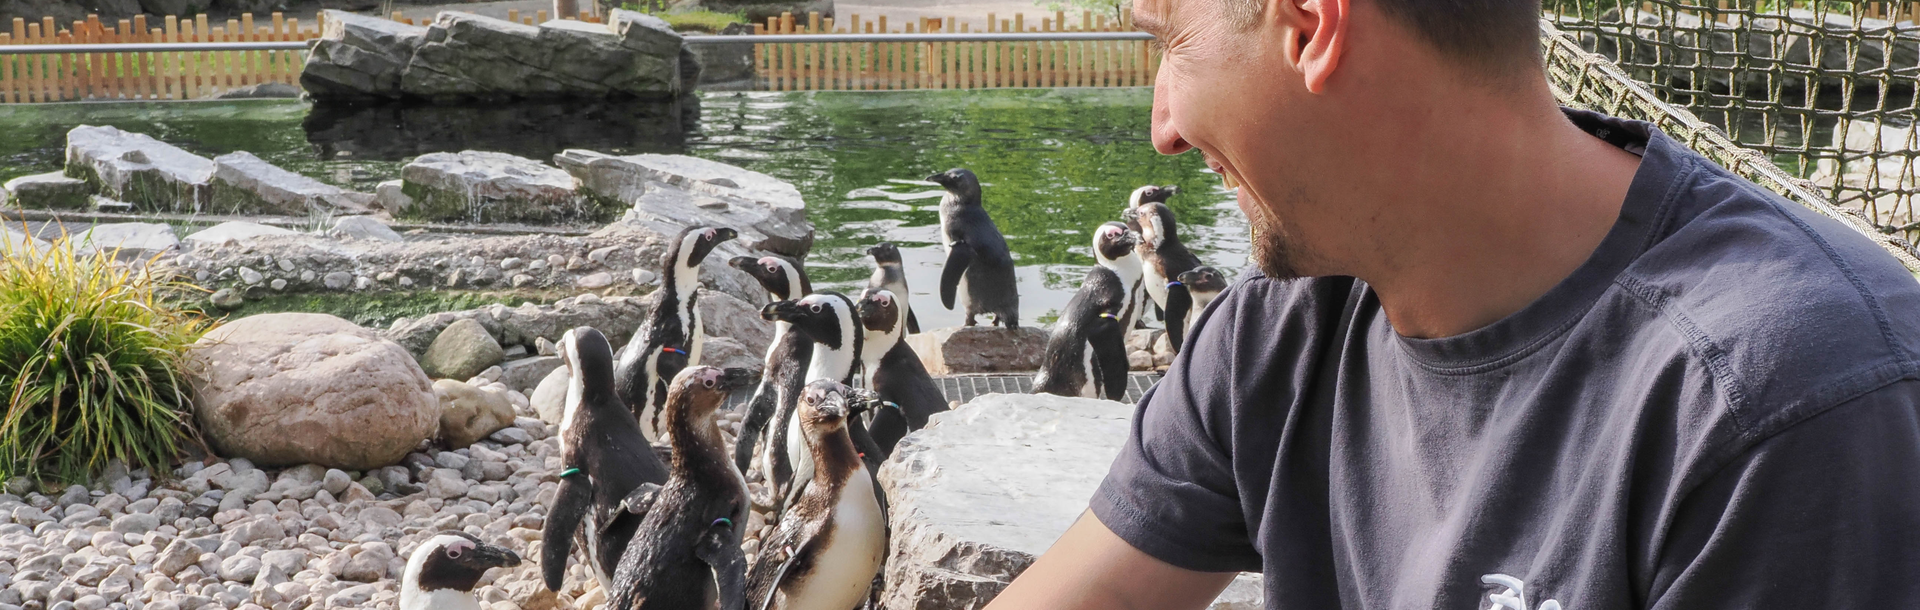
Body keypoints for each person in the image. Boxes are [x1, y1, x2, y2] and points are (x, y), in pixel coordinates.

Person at [984, 0, 1920, 608]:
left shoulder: (1786, 403)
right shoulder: (1277, 333)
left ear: (1312, 24)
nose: (1163, 130)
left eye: (1169, 44)